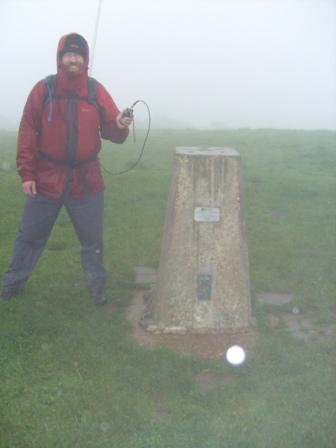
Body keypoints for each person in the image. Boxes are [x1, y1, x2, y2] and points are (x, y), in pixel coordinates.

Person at [0, 33, 133, 305]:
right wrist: (27, 174)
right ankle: (11, 286)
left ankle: (98, 291)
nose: (73, 59)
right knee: (30, 237)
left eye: (78, 54)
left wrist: (120, 125)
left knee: (92, 240)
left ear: (85, 59)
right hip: (46, 178)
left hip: (87, 181)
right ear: (60, 58)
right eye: (68, 54)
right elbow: (27, 131)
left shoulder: (95, 90)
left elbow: (112, 130)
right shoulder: (43, 89)